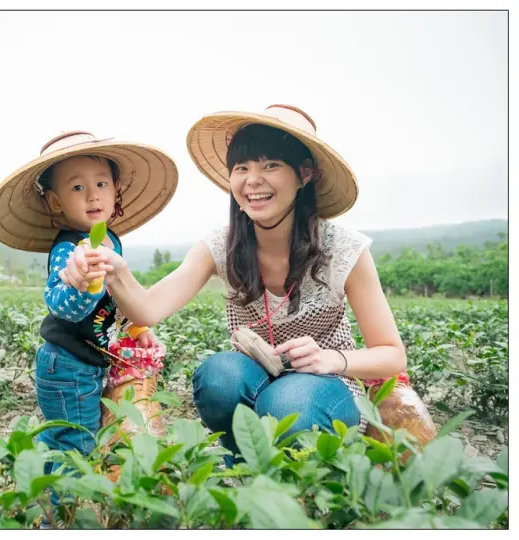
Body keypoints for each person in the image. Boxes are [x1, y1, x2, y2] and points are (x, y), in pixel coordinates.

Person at [57, 105, 408, 465]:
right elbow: (148, 308)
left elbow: (392, 354)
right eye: (242, 168)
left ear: (304, 175)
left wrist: (331, 359)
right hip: (254, 374)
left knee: (286, 403)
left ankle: (300, 478)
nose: (252, 180)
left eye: (270, 165)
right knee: (219, 376)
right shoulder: (221, 245)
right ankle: (242, 466)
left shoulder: (344, 249)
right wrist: (114, 270)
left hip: (325, 383)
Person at [0, 130, 178, 487]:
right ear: (56, 202)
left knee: (77, 437)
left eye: (101, 183)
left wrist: (137, 327)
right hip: (66, 368)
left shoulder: (110, 239)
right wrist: (83, 282)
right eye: (77, 188)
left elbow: (116, 299)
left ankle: (45, 477)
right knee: (75, 445)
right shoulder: (67, 250)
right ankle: (57, 515)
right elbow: (64, 308)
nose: (92, 195)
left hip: (88, 364)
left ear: (115, 189)